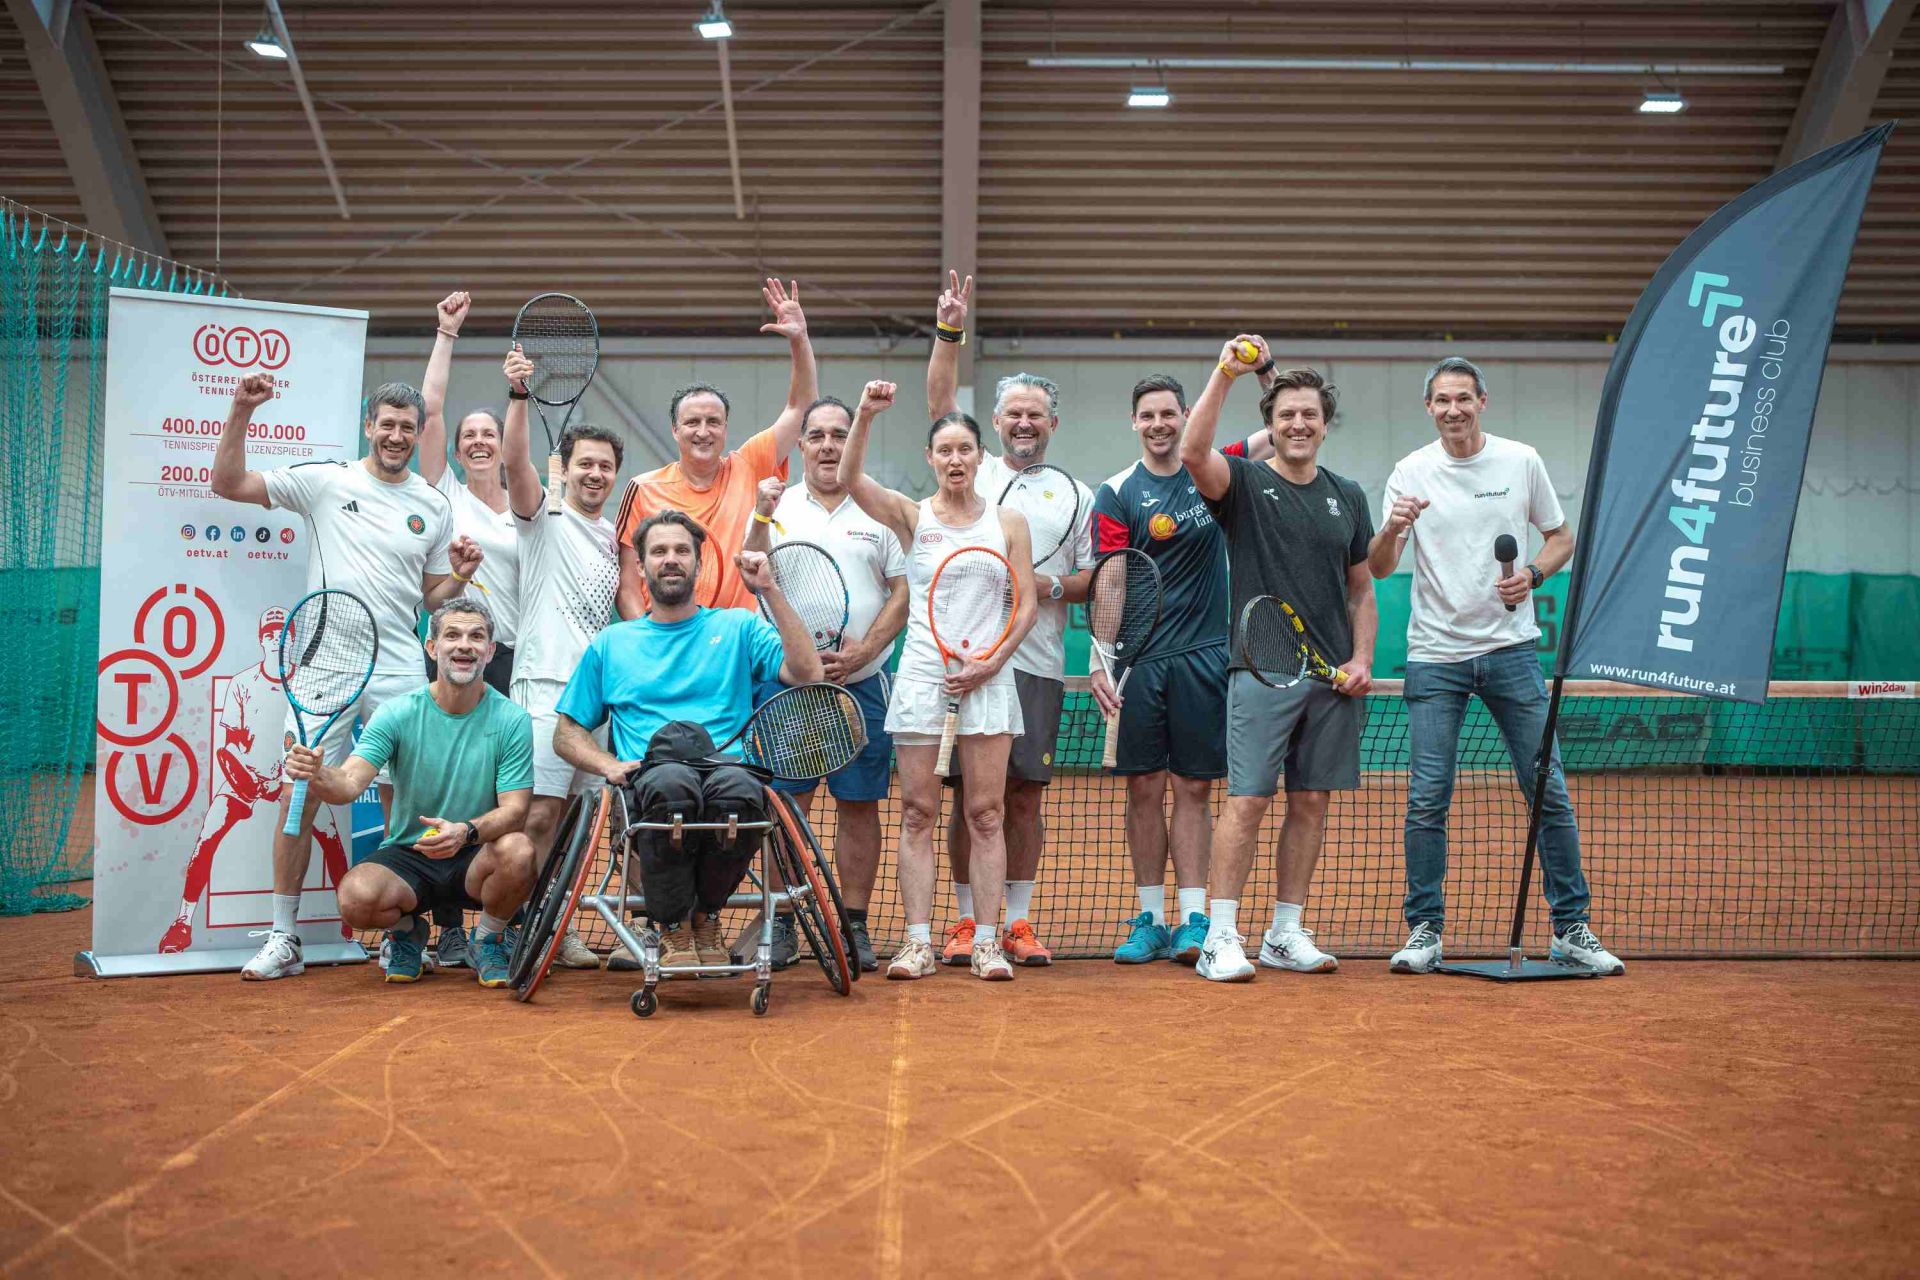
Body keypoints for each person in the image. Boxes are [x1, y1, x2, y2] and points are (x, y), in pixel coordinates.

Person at [211, 371, 480, 981]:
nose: (396, 436)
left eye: (407, 427)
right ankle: (285, 937)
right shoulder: (327, 480)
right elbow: (228, 482)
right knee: (297, 796)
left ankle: (407, 931)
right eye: (387, 425)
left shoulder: (433, 504)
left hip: (399, 665)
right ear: (368, 427)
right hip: (323, 667)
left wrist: (459, 577)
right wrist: (241, 410)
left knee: (408, 803)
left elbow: (430, 597)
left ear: (418, 434)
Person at [1368, 356, 1623, 975]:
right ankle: (1425, 931)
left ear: (1482, 401)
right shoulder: (1409, 471)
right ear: (1429, 408)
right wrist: (1393, 528)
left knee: (1548, 790)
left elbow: (1561, 538)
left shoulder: (1520, 461)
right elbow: (1378, 566)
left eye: (1463, 398)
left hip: (1512, 653)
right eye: (1441, 400)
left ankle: (1571, 930)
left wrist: (1533, 574)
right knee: (1427, 798)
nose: (1452, 409)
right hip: (1435, 657)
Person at [1180, 346, 1378, 983]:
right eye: (1287, 414)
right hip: (1261, 669)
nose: (1299, 423)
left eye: (1309, 414)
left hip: (1331, 681)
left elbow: (1361, 590)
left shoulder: (1347, 496)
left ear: (1324, 424)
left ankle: (1285, 933)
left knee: (1312, 803)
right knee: (1248, 801)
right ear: (1271, 422)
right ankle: (1220, 936)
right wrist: (1225, 373)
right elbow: (1192, 453)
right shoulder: (1242, 484)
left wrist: (1362, 658)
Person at [553, 512, 824, 973]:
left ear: (699, 564)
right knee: (672, 784)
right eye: (659, 551)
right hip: (650, 779)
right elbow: (566, 733)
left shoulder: (739, 627)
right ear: (641, 567)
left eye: (682, 551)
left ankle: (705, 918)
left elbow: (808, 673)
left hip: (725, 770)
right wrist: (608, 766)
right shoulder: (612, 643)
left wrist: (769, 590)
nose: (671, 559)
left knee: (741, 791)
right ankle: (674, 925)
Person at [837, 379, 1038, 981]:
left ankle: (986, 943)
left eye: (965, 450)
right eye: (944, 450)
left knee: (986, 813)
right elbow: (850, 478)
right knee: (917, 812)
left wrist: (991, 663)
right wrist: (865, 414)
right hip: (925, 680)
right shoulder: (912, 515)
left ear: (980, 456)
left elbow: (1026, 606)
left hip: (988, 680)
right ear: (930, 458)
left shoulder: (1008, 521)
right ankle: (918, 942)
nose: (955, 460)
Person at [924, 270, 1092, 967]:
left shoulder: (1077, 495)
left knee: (1023, 798)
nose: (1024, 422)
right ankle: (968, 922)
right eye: (1013, 413)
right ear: (994, 424)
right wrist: (949, 329)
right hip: (963, 664)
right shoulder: (974, 468)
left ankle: (1016, 923)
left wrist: (1046, 584)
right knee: (967, 796)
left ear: (1052, 424)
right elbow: (940, 400)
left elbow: (1088, 579)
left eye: (1036, 414)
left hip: (1036, 664)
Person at [284, 598, 536, 987]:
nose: (464, 645)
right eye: (452, 635)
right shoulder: (397, 713)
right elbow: (348, 783)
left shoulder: (512, 719)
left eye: (476, 637)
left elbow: (516, 810)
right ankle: (407, 933)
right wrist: (318, 774)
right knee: (355, 898)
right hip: (410, 854)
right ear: (432, 647)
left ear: (489, 651)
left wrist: (465, 831)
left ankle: (487, 938)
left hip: (474, 852)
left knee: (519, 851)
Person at [742, 397, 910, 973]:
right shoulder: (777, 505)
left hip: (861, 683)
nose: (829, 445)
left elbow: (902, 590)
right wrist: (761, 514)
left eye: (840, 434)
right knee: (787, 808)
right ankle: (785, 920)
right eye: (817, 435)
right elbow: (752, 569)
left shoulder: (879, 507)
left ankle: (854, 924)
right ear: (802, 445)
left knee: (859, 805)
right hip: (791, 688)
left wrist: (865, 650)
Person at [499, 343, 625, 971]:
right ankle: (515, 928)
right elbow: (514, 462)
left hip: (595, 700)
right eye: (585, 464)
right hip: (544, 690)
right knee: (539, 816)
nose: (595, 474)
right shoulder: (541, 516)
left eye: (605, 466)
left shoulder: (614, 537)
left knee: (578, 821)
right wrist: (518, 396)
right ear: (566, 470)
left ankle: (558, 925)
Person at [613, 279, 816, 618]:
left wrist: (800, 340)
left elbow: (802, 409)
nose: (703, 432)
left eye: (713, 422)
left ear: (725, 429)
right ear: (675, 430)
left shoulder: (750, 465)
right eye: (692, 422)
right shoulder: (643, 489)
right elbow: (629, 585)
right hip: (667, 636)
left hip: (737, 636)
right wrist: (648, 640)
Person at [416, 289, 517, 967]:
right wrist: (446, 334)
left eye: (489, 435)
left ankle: (500, 922)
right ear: (455, 451)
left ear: (504, 447)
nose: (479, 441)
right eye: (468, 436)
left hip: (510, 660)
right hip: (452, 656)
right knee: (444, 788)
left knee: (500, 796)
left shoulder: (531, 505)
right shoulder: (444, 495)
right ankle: (446, 924)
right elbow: (428, 412)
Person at [158, 608, 347, 954]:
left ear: (292, 640)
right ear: (262, 641)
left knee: (332, 838)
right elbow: (231, 743)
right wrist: (247, 778)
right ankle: (182, 922)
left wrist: (286, 775)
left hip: (293, 779)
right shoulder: (242, 683)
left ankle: (345, 915)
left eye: (283, 633)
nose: (276, 639)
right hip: (246, 780)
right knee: (206, 838)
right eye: (270, 634)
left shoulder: (309, 683)